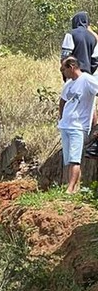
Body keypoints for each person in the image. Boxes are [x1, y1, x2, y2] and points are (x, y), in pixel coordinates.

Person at [57, 56, 98, 194]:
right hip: (66, 125)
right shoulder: (68, 84)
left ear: (72, 67)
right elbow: (62, 101)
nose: (63, 72)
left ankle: (70, 189)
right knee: (70, 160)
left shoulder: (87, 80)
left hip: (78, 126)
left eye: (63, 69)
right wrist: (62, 118)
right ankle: (75, 188)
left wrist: (95, 120)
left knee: (75, 159)